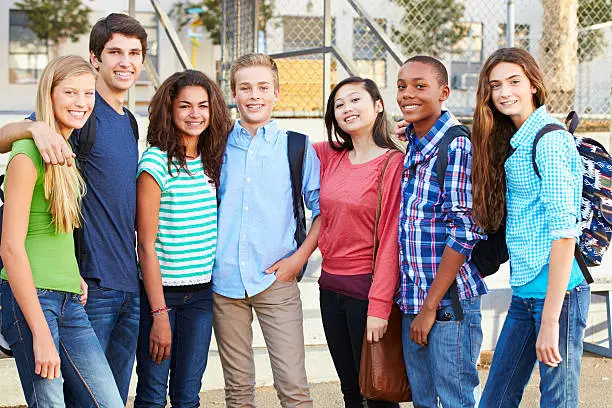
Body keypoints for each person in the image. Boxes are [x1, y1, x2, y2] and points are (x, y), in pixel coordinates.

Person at [0, 14, 148, 404]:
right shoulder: (44, 140)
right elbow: (12, 247)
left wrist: (72, 272)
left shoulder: (127, 122)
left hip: (92, 286)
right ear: (95, 58)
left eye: (134, 53)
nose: (125, 61)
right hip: (64, 290)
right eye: (114, 51)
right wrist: (32, 128)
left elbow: (67, 218)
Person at [473, 48, 589, 408]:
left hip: (559, 297)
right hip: (525, 293)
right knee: (497, 396)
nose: (504, 92)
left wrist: (551, 320)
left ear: (533, 86)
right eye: (495, 85)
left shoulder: (549, 140)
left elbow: (564, 234)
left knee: (557, 400)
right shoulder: (516, 140)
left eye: (514, 82)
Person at [212, 53, 320, 408]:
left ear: (276, 93)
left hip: (277, 280)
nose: (254, 95)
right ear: (234, 94)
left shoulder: (297, 146)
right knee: (238, 390)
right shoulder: (216, 146)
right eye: (245, 88)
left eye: (262, 87)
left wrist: (297, 260)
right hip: (224, 281)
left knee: (293, 386)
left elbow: (323, 213)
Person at [134, 70, 232, 408]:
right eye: (185, 106)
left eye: (203, 106)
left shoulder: (212, 161)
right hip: (162, 298)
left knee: (188, 395)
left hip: (202, 296)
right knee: (151, 393)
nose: (195, 114)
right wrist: (159, 312)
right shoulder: (155, 162)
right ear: (170, 110)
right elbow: (145, 245)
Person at [395, 56, 486, 408]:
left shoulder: (456, 146)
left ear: (444, 92)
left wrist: (430, 307)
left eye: (420, 86)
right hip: (413, 300)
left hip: (447, 305)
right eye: (402, 86)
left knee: (454, 400)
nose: (407, 94)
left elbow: (464, 231)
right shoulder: (416, 143)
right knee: (423, 400)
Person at [314, 76, 404, 408]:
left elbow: (392, 238)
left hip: (366, 294)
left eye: (355, 100)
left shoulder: (393, 162)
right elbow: (282, 148)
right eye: (339, 104)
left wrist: (379, 307)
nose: (347, 109)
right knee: (350, 390)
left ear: (378, 106)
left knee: (376, 392)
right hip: (330, 289)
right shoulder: (331, 156)